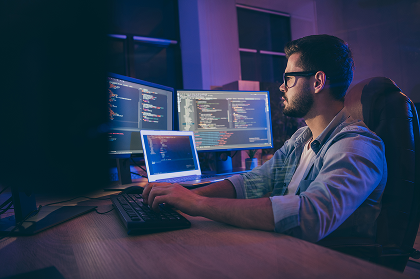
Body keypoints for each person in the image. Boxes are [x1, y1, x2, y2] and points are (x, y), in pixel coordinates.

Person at [142, 34, 387, 243]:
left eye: (289, 79)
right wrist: (186, 197)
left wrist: (198, 205)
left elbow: (311, 217)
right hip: (285, 249)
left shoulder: (356, 146)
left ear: (318, 81)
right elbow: (255, 182)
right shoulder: (302, 139)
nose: (282, 87)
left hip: (323, 263)